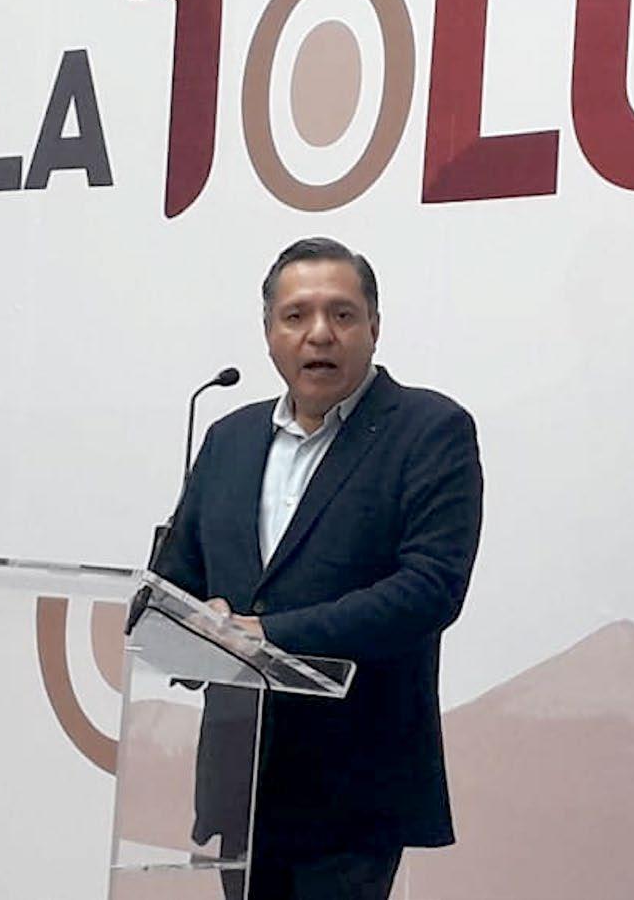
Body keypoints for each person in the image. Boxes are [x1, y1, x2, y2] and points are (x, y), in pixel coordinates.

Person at [153, 236, 484, 900]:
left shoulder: (428, 431)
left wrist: (267, 634)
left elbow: (429, 591)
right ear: (269, 334)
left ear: (374, 328)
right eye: (296, 315)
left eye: (342, 314)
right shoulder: (229, 439)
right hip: (242, 779)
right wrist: (191, 623)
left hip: (353, 787)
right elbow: (175, 583)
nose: (320, 334)